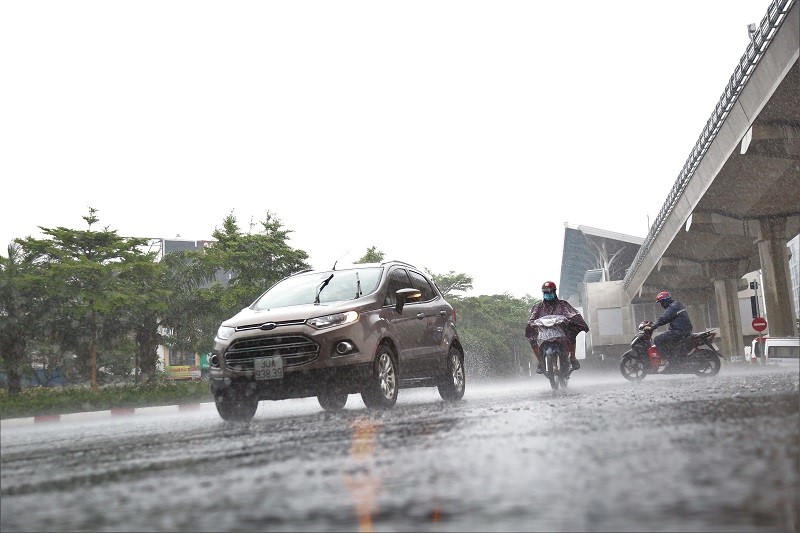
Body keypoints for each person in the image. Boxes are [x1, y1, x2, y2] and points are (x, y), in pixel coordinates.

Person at [525, 281, 589, 374]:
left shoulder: (563, 305)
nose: (548, 294)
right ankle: (540, 361)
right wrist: (531, 323)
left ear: (554, 292)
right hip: (544, 334)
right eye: (546, 293)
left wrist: (571, 320)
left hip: (561, 333)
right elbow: (532, 318)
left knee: (571, 336)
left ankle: (573, 358)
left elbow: (572, 314)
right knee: (532, 340)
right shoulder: (538, 307)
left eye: (550, 292)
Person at [649, 291, 692, 358]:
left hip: (679, 331)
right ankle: (674, 357)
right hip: (684, 330)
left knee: (658, 339)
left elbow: (664, 318)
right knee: (668, 340)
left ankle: (667, 359)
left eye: (661, 302)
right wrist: (654, 323)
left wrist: (653, 326)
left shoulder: (673, 307)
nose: (661, 305)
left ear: (665, 301)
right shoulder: (676, 304)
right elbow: (666, 318)